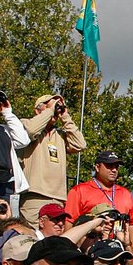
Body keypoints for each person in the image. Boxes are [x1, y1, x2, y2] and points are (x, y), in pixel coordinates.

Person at [17, 94, 86, 225]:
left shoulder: (60, 135)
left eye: (57, 105)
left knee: (54, 240)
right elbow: (31, 131)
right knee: (34, 236)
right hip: (35, 195)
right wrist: (49, 111)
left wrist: (65, 117)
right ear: (37, 110)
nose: (55, 107)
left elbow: (80, 144)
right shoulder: (24, 123)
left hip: (58, 197)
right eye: (49, 103)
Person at [64, 151, 133, 252]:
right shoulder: (79, 191)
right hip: (90, 250)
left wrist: (130, 250)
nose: (114, 170)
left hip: (118, 250)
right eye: (109, 166)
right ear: (97, 167)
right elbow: (69, 223)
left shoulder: (125, 193)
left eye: (116, 167)